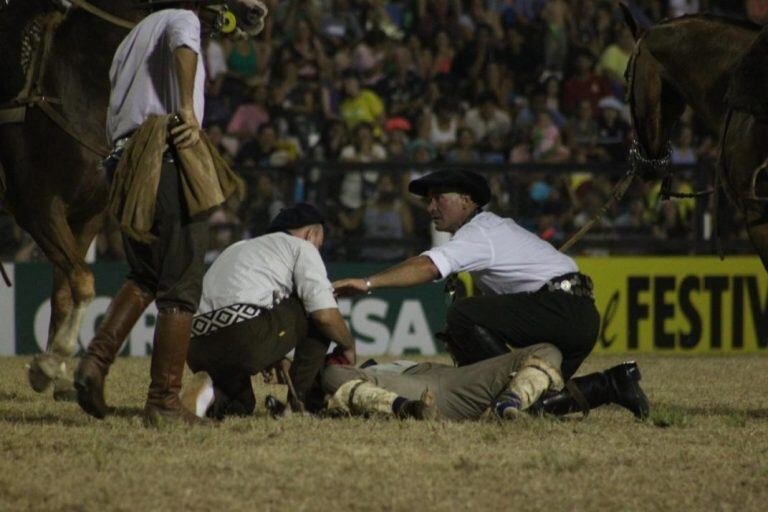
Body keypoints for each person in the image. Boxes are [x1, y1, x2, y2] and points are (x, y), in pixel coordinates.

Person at [73, 0, 268, 427]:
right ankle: (162, 401)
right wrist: (186, 109)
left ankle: (95, 361)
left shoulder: (128, 40)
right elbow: (185, 42)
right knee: (181, 283)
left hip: (125, 161)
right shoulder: (182, 18)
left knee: (145, 274)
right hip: (163, 155)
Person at [333, 170, 648, 417]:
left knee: (464, 314)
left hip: (560, 309)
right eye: (428, 201)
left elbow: (429, 266)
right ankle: (612, 384)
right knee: (536, 398)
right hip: (578, 316)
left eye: (439, 198)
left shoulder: (478, 232)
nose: (430, 207)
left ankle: (498, 387)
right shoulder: (492, 229)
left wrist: (368, 283)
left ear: (467, 201)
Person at [183, 203, 356, 418]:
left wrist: (274, 352)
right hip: (242, 336)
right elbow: (324, 316)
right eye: (319, 244)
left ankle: (209, 394)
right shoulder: (301, 247)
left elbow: (247, 298)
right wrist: (348, 345)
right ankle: (297, 404)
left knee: (242, 406)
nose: (317, 249)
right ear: (312, 234)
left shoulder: (238, 247)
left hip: (195, 347)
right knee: (317, 303)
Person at [317, 348, 648, 421]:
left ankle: (511, 402)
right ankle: (405, 409)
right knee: (331, 376)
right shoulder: (357, 374)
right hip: (420, 392)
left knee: (547, 350)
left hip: (448, 376)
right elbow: (332, 380)